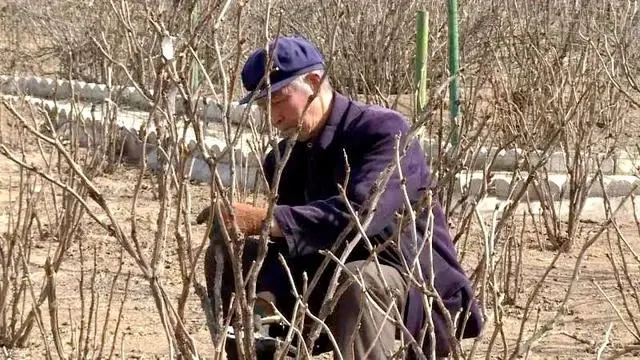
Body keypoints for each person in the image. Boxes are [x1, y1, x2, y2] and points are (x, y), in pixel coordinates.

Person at [197, 35, 483, 359]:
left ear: (315, 82)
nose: (273, 118)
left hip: (412, 285)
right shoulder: (282, 160)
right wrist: (265, 293)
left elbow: (359, 216)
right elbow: (300, 245)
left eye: (278, 101)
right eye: (265, 107)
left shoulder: (383, 132)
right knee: (233, 255)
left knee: (359, 280)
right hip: (328, 276)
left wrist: (264, 220)